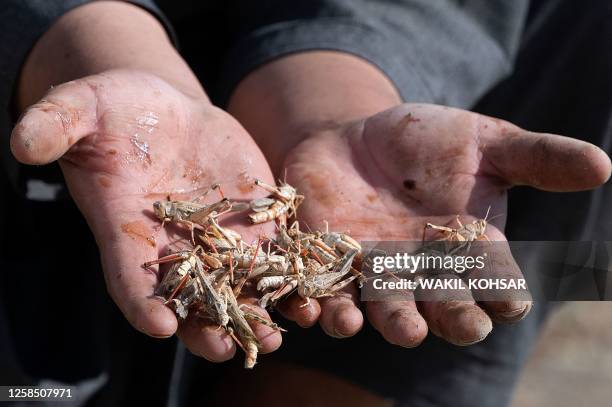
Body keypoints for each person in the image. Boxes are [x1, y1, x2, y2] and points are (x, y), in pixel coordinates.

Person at [1, 1, 610, 406]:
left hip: (421, 121)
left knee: (528, 277)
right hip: (48, 220)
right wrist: (86, 40)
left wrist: (329, 104)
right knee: (41, 389)